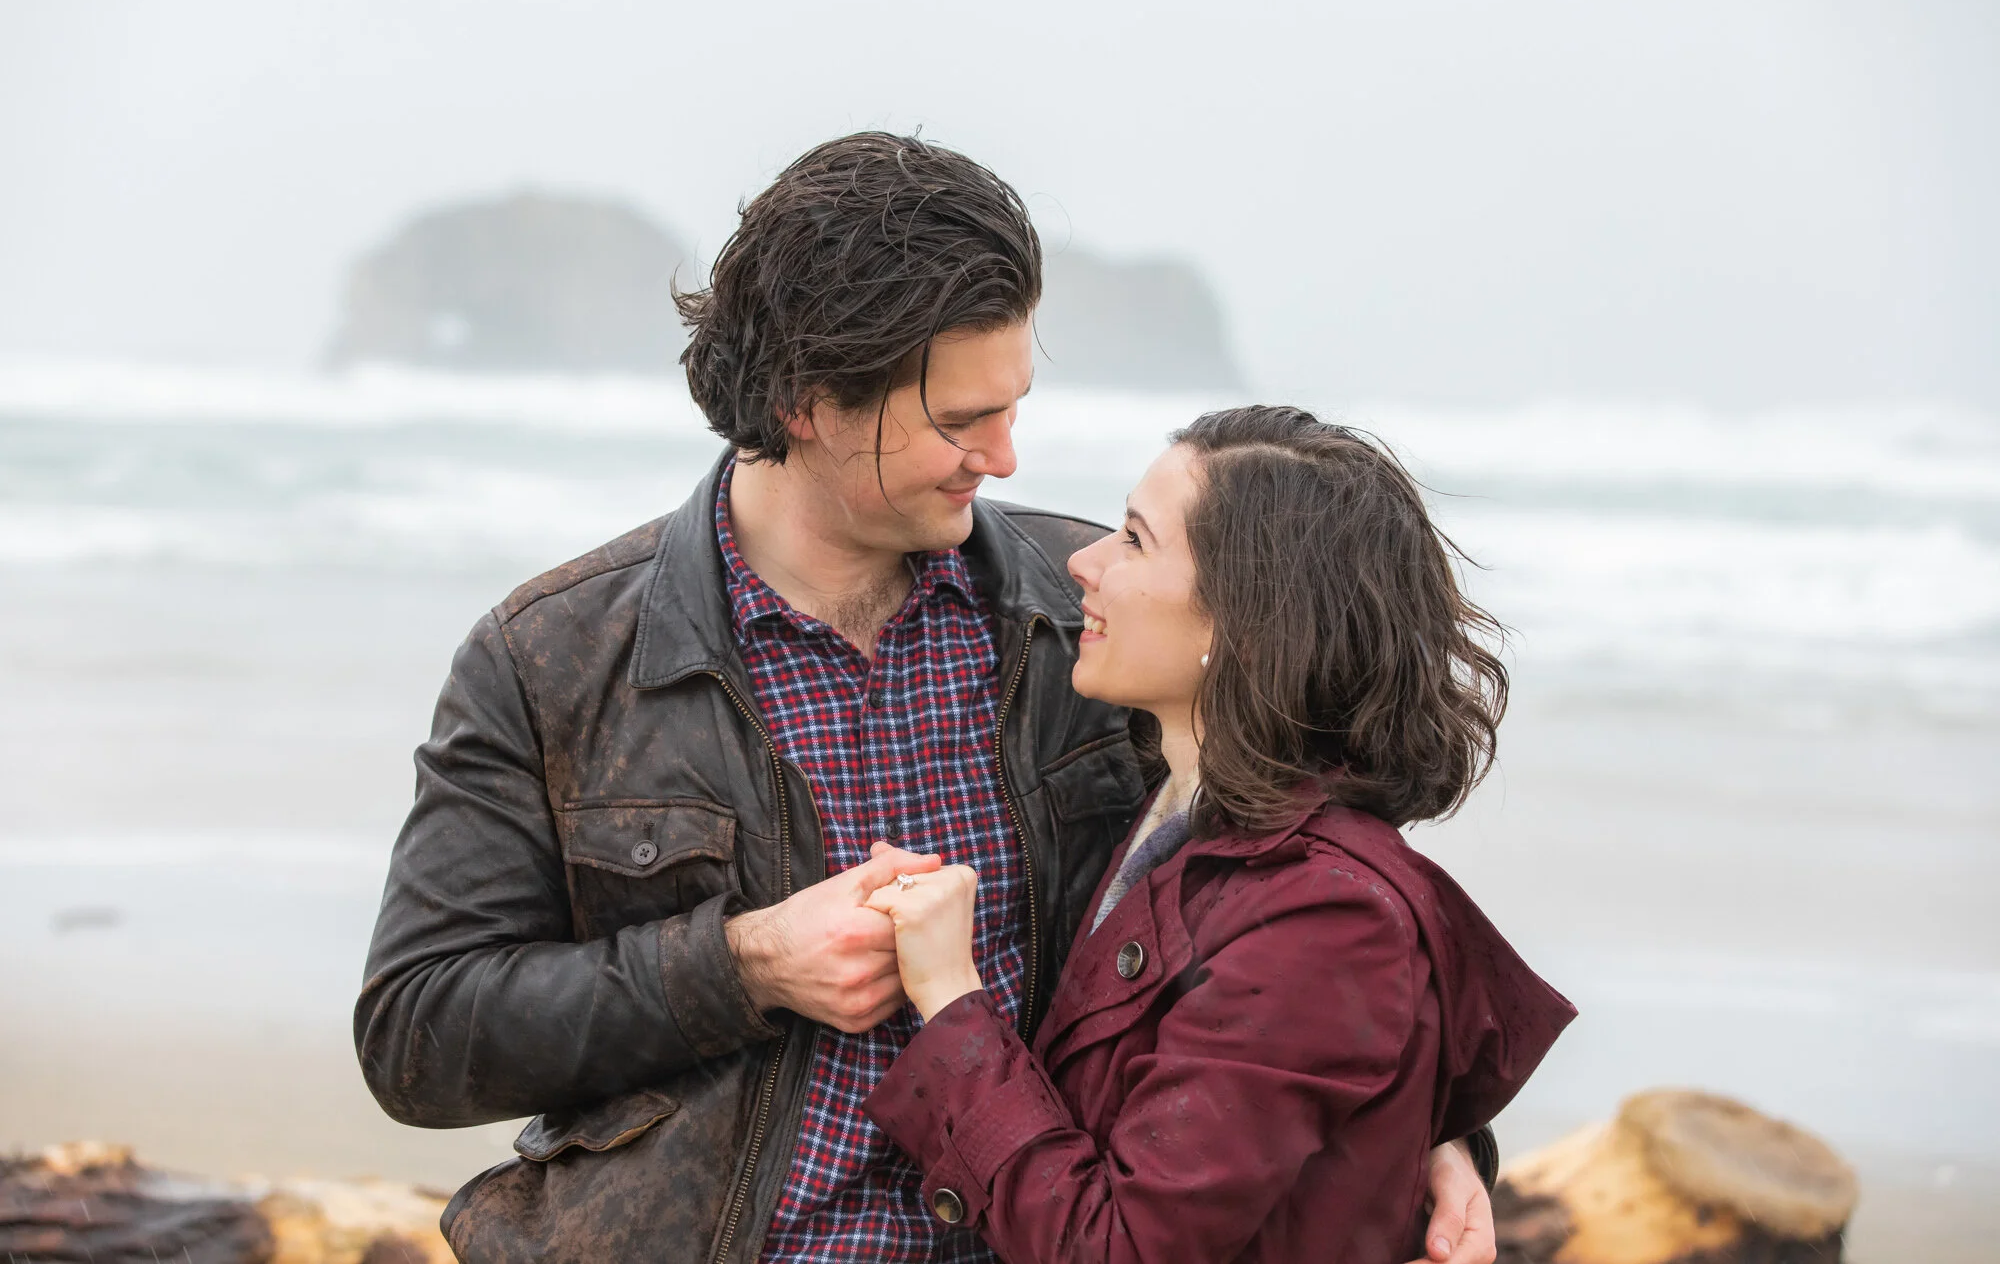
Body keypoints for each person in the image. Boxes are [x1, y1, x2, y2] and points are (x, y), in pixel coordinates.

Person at [354, 134, 1501, 1264]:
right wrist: (744, 963)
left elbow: (1306, 911)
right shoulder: (550, 655)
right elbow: (418, 1033)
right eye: (957, 421)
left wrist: (1422, 1125)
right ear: (807, 402)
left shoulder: (1099, 616)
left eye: (1011, 406)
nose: (1001, 457)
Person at [863, 406, 1576, 1262]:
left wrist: (949, 995)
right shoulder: (1179, 808)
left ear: (1242, 619)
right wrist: (1437, 1136)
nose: (1084, 562)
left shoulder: (1326, 917)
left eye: (1134, 540)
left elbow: (1121, 1249)